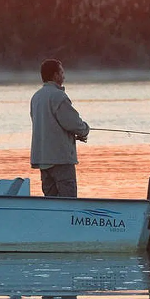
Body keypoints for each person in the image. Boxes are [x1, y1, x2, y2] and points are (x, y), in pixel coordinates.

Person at [30, 59, 90, 197]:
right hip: (60, 159)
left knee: (51, 203)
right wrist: (85, 130)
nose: (64, 76)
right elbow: (73, 123)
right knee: (68, 202)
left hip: (43, 158)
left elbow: (47, 125)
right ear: (55, 75)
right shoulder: (58, 96)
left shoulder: (36, 97)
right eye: (62, 72)